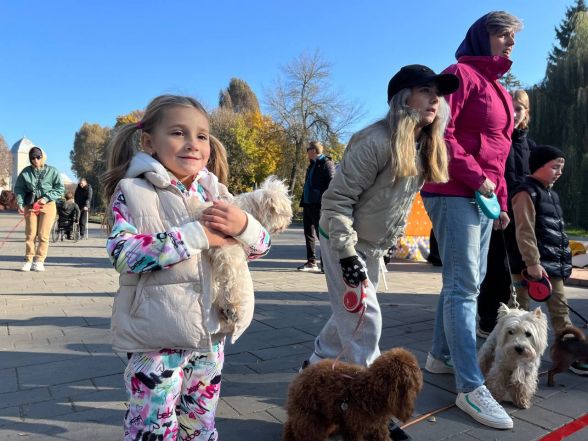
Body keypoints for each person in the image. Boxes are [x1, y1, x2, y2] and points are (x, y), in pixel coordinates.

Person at [301, 64, 458, 440]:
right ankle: (373, 413)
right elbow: (335, 204)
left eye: (438, 91)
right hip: (343, 241)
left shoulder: (423, 144)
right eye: (425, 90)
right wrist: (347, 255)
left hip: (371, 247)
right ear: (403, 98)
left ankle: (310, 373)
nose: (435, 98)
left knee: (347, 321)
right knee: (365, 322)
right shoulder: (374, 141)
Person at [102, 95, 271, 441]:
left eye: (202, 136)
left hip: (209, 336)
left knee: (200, 424)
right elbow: (122, 253)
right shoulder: (132, 191)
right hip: (154, 337)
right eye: (178, 133)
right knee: (153, 428)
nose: (192, 144)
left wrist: (244, 227)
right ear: (149, 141)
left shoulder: (217, 192)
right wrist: (194, 236)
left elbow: (257, 249)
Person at [420, 11, 522, 430]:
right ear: (483, 36)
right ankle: (470, 386)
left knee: (468, 281)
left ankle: (440, 356)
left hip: (478, 196)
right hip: (452, 190)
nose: (511, 43)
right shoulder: (459, 74)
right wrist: (479, 181)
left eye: (514, 37)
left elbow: (497, 152)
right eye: (504, 34)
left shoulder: (498, 87)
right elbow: (441, 135)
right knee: (465, 288)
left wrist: (497, 202)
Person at [511, 145, 588, 376]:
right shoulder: (526, 192)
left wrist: (565, 260)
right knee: (519, 313)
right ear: (538, 166)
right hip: (527, 266)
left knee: (561, 313)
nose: (559, 172)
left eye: (561, 167)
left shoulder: (551, 194)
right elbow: (524, 230)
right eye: (555, 167)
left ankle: (572, 355)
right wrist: (532, 262)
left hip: (552, 266)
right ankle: (514, 358)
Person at [477, 89, 536, 337]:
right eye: (509, 107)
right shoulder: (495, 140)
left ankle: (516, 317)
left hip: (521, 216)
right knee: (494, 266)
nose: (513, 113)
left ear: (526, 113)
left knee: (519, 266)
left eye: (519, 108)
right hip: (497, 212)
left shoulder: (532, 148)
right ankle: (489, 318)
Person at [14, 146, 64, 272]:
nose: (35, 160)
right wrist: (20, 203)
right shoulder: (25, 172)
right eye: (33, 158)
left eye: (38, 157)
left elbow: (60, 188)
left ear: (43, 157)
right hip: (30, 205)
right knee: (30, 234)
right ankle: (28, 260)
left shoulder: (52, 171)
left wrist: (46, 198)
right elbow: (19, 188)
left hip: (47, 205)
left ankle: (39, 261)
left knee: (43, 235)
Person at [297, 141, 335, 272]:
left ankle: (327, 264)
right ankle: (311, 262)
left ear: (313, 150)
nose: (307, 152)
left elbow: (332, 184)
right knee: (308, 234)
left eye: (308, 149)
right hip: (308, 204)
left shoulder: (326, 163)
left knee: (322, 235)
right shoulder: (311, 165)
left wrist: (325, 201)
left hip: (319, 205)